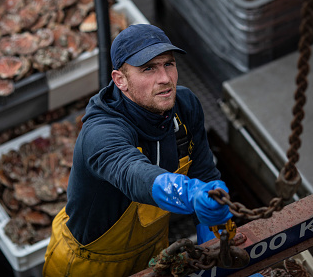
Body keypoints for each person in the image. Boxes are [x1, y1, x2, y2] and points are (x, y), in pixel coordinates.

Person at [43, 23, 233, 276]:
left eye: (168, 64)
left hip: (155, 254)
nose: (165, 78)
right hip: (91, 265)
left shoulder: (185, 105)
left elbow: (205, 174)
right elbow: (132, 173)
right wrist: (189, 193)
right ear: (120, 80)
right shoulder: (101, 132)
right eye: (148, 69)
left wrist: (220, 245)